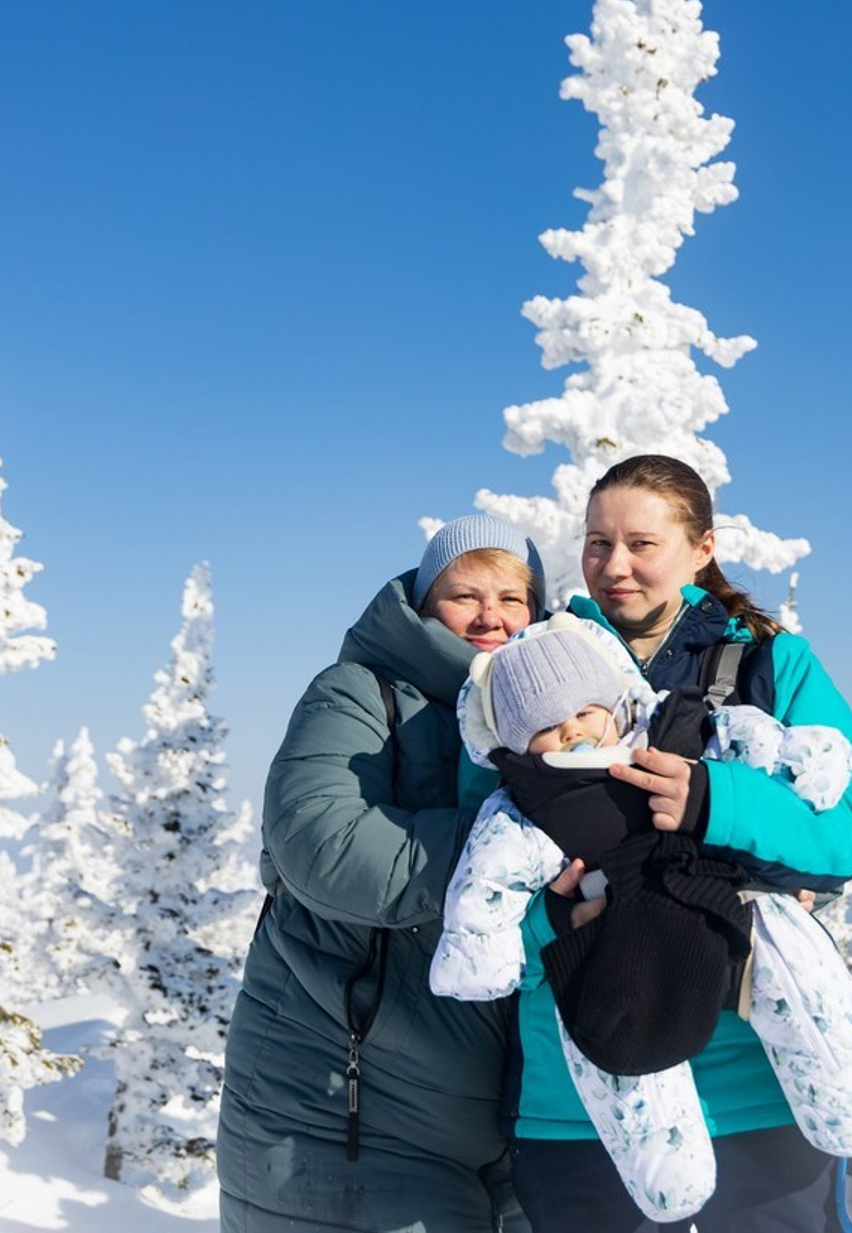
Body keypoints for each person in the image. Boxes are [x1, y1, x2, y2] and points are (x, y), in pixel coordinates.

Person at [505, 453, 852, 1232]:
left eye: (642, 544)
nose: (614, 565)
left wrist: (715, 801)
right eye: (598, 543)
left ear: (702, 549)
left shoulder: (774, 666)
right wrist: (550, 922)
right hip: (584, 1089)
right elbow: (477, 859)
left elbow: (845, 831)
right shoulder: (530, 672)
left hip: (755, 1091)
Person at [430, 613, 852, 1225]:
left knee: (795, 978)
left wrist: (731, 791)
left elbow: (832, 829)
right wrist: (543, 926)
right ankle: (668, 1177)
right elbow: (484, 881)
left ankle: (845, 1099)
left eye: (584, 712)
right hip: (602, 1005)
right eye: (545, 727)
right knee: (626, 1053)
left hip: (742, 1008)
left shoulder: (707, 700)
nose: (571, 731)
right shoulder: (525, 795)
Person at [217, 514, 545, 1232]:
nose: (490, 616)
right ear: (424, 604)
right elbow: (322, 841)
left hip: (518, 1119)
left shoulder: (555, 716)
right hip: (345, 1109)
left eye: (511, 598)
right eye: (464, 595)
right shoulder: (359, 691)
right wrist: (509, 850)